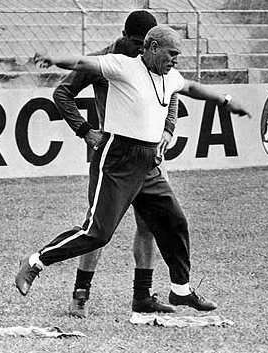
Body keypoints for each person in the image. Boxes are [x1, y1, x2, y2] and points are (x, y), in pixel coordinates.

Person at [16, 24, 251, 313]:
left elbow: (190, 87)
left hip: (149, 163)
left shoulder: (169, 76)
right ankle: (35, 262)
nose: (175, 60)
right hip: (118, 159)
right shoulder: (123, 66)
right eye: (171, 54)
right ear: (152, 48)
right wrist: (53, 57)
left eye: (177, 55)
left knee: (174, 222)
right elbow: (81, 62)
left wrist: (225, 100)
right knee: (97, 233)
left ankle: (180, 290)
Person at [53, 10, 178, 318]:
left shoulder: (156, 62)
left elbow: (172, 92)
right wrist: (85, 130)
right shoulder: (104, 61)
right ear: (125, 37)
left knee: (149, 223)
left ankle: (142, 296)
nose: (141, 49)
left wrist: (167, 129)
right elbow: (62, 92)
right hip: (114, 155)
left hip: (147, 155)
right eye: (137, 43)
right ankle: (80, 295)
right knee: (97, 226)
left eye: (146, 44)